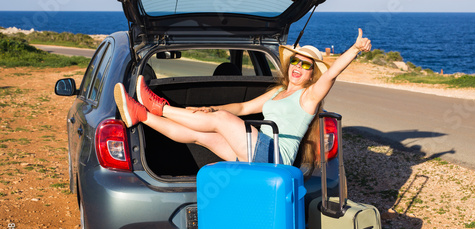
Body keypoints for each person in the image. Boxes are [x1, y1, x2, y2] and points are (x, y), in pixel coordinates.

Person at [114, 28, 371, 166]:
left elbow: (332, 75)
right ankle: (141, 114)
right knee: (201, 134)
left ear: (312, 74)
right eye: (295, 61)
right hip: (258, 153)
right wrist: (209, 108)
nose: (298, 67)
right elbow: (243, 106)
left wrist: (355, 50)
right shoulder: (279, 92)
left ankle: (159, 107)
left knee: (221, 120)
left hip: (274, 158)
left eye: (306, 65)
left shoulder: (309, 97)